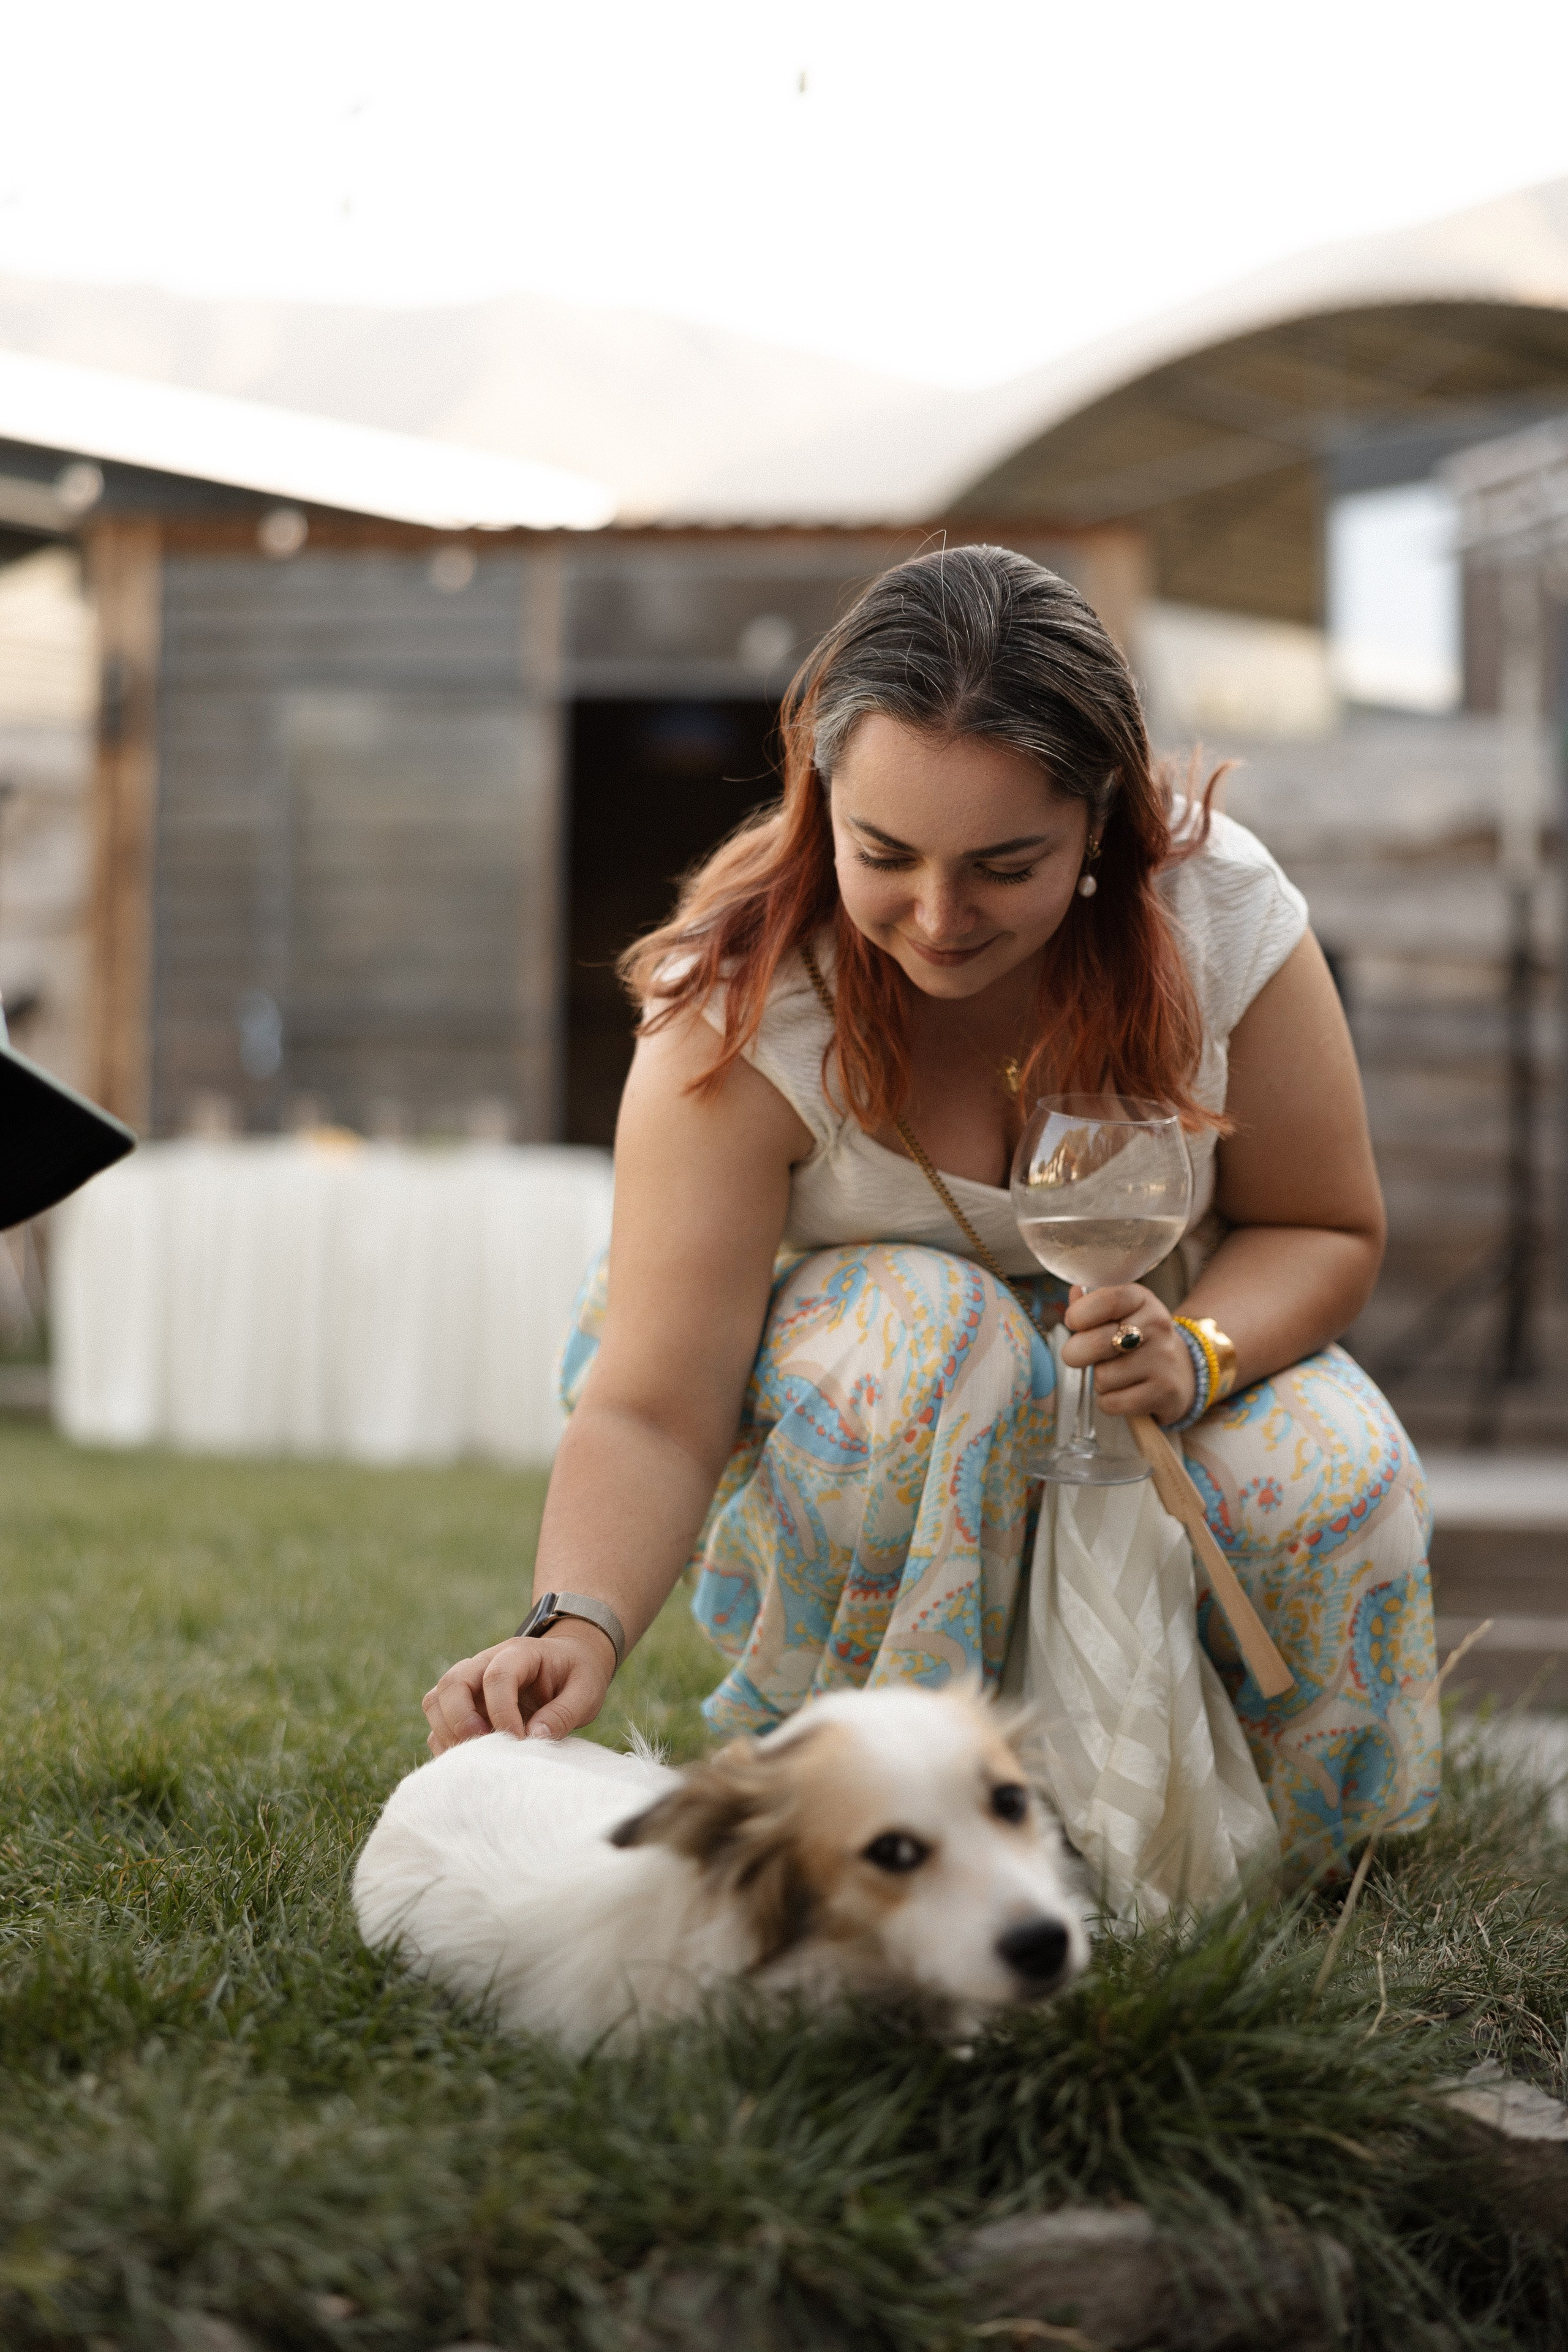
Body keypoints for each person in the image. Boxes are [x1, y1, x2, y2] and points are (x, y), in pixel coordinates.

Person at [423, 546, 1439, 1882]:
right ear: (819, 800)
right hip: (874, 1401)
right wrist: (575, 1621)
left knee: (1325, 1462)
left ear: (1100, 825)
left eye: (1004, 864)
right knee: (939, 1339)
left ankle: (1286, 1852)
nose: (940, 918)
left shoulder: (1219, 916)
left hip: (1163, 1351)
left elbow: (1322, 1227)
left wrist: (1193, 1354)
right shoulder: (739, 1005)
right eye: (882, 855)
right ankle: (886, 1831)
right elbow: (658, 1401)